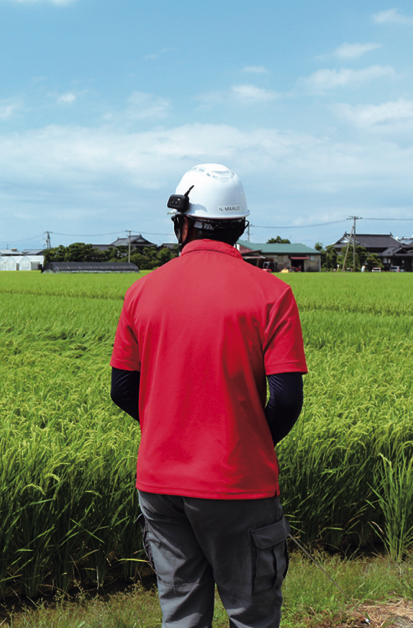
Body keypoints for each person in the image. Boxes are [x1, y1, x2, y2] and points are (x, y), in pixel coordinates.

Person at [109, 164, 307, 628]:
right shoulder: (272, 294)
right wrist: (241, 439)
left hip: (160, 484)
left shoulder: (141, 292)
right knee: (251, 615)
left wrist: (171, 430)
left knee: (180, 617)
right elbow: (286, 400)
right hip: (238, 482)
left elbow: (122, 389)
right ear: (240, 225)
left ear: (182, 223)